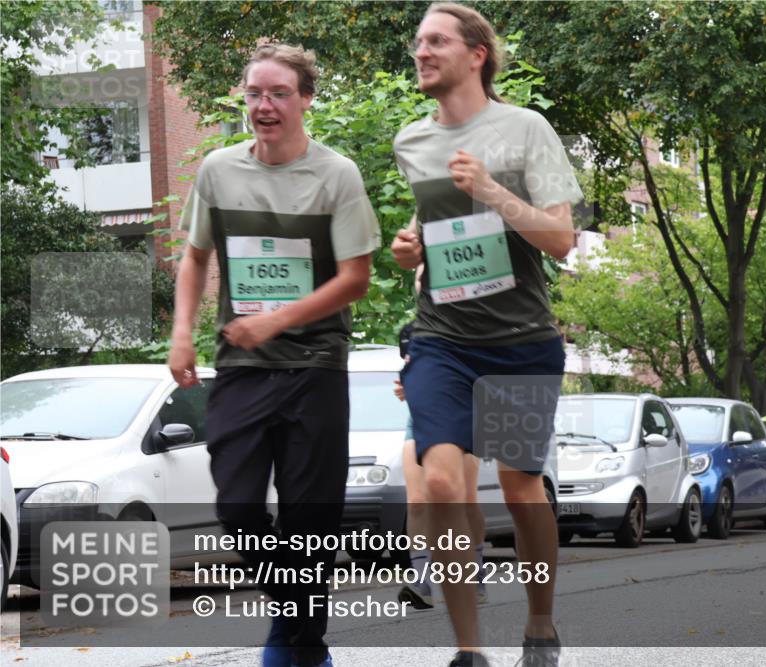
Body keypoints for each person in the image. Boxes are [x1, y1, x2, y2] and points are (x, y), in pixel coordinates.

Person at [168, 43, 380, 667]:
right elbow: (195, 258)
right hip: (242, 367)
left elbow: (356, 279)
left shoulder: (336, 174)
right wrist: (182, 332)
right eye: (255, 93)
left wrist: (278, 320)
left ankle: (299, 646)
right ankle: (298, 630)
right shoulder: (218, 170)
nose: (264, 105)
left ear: (305, 99)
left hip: (316, 366)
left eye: (279, 93)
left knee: (310, 524)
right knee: (237, 506)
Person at [391, 4, 582, 666]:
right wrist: (415, 249)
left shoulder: (526, 129)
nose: (421, 51)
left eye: (436, 41)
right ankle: (469, 647)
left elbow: (560, 239)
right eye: (418, 42)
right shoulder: (412, 142)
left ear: (476, 54)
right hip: (442, 338)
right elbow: (441, 226)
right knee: (443, 483)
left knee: (520, 486)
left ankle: (540, 622)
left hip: (519, 339)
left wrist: (493, 190)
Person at [394, 320, 488, 610]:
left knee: (465, 501)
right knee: (417, 501)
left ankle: (475, 573)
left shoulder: (462, 332)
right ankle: (422, 582)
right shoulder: (411, 335)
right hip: (420, 420)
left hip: (461, 418)